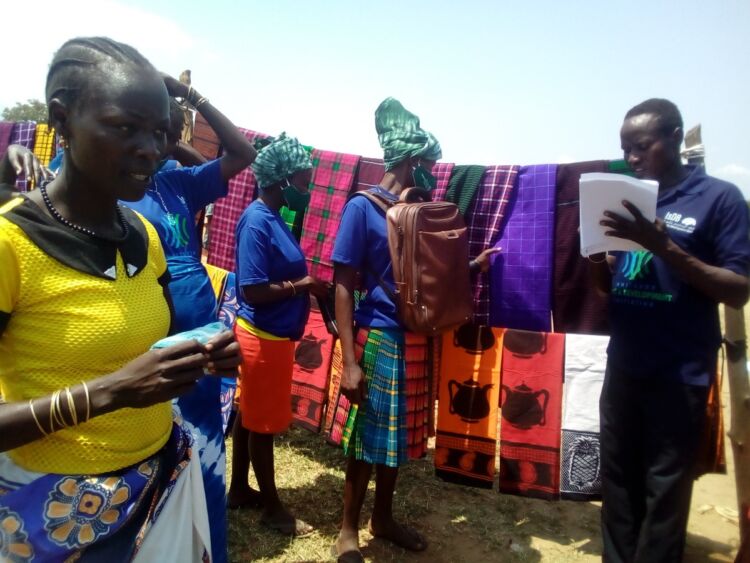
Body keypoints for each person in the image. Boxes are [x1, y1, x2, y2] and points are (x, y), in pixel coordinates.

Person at [0, 36, 241, 562]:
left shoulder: (145, 237)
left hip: (158, 488)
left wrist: (202, 356)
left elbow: (141, 346)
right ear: (61, 120)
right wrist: (109, 392)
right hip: (53, 515)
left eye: (158, 132)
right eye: (125, 127)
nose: (150, 149)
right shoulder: (9, 244)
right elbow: (119, 381)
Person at [331, 97, 499, 562]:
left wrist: (471, 266)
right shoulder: (362, 209)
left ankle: (382, 518)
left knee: (398, 440)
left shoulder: (418, 210)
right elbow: (343, 285)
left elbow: (427, 273)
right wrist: (349, 360)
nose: (433, 171)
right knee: (366, 440)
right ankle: (347, 530)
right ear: (408, 160)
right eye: (428, 162)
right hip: (380, 336)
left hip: (417, 337)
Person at [590, 98, 750, 562]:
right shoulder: (628, 198)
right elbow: (608, 288)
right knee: (617, 483)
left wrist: (664, 247)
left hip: (679, 373)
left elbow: (738, 290)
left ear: (675, 138)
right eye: (626, 148)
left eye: (642, 146)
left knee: (665, 490)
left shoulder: (719, 199)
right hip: (623, 367)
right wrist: (598, 259)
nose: (633, 157)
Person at [122, 74, 256, 563]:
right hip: (149, 340)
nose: (152, 145)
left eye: (162, 133)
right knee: (156, 453)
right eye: (146, 132)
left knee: (204, 451)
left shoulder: (176, 183)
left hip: (200, 340)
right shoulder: (112, 185)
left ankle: (205, 548)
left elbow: (240, 154)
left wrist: (189, 100)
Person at [228, 134, 330, 536]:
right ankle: (273, 508)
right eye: (303, 184)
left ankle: (238, 489)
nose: (307, 192)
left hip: (270, 337)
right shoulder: (257, 221)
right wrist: (302, 286)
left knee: (248, 416)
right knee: (264, 425)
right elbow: (251, 289)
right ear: (281, 180)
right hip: (263, 338)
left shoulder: (272, 218)